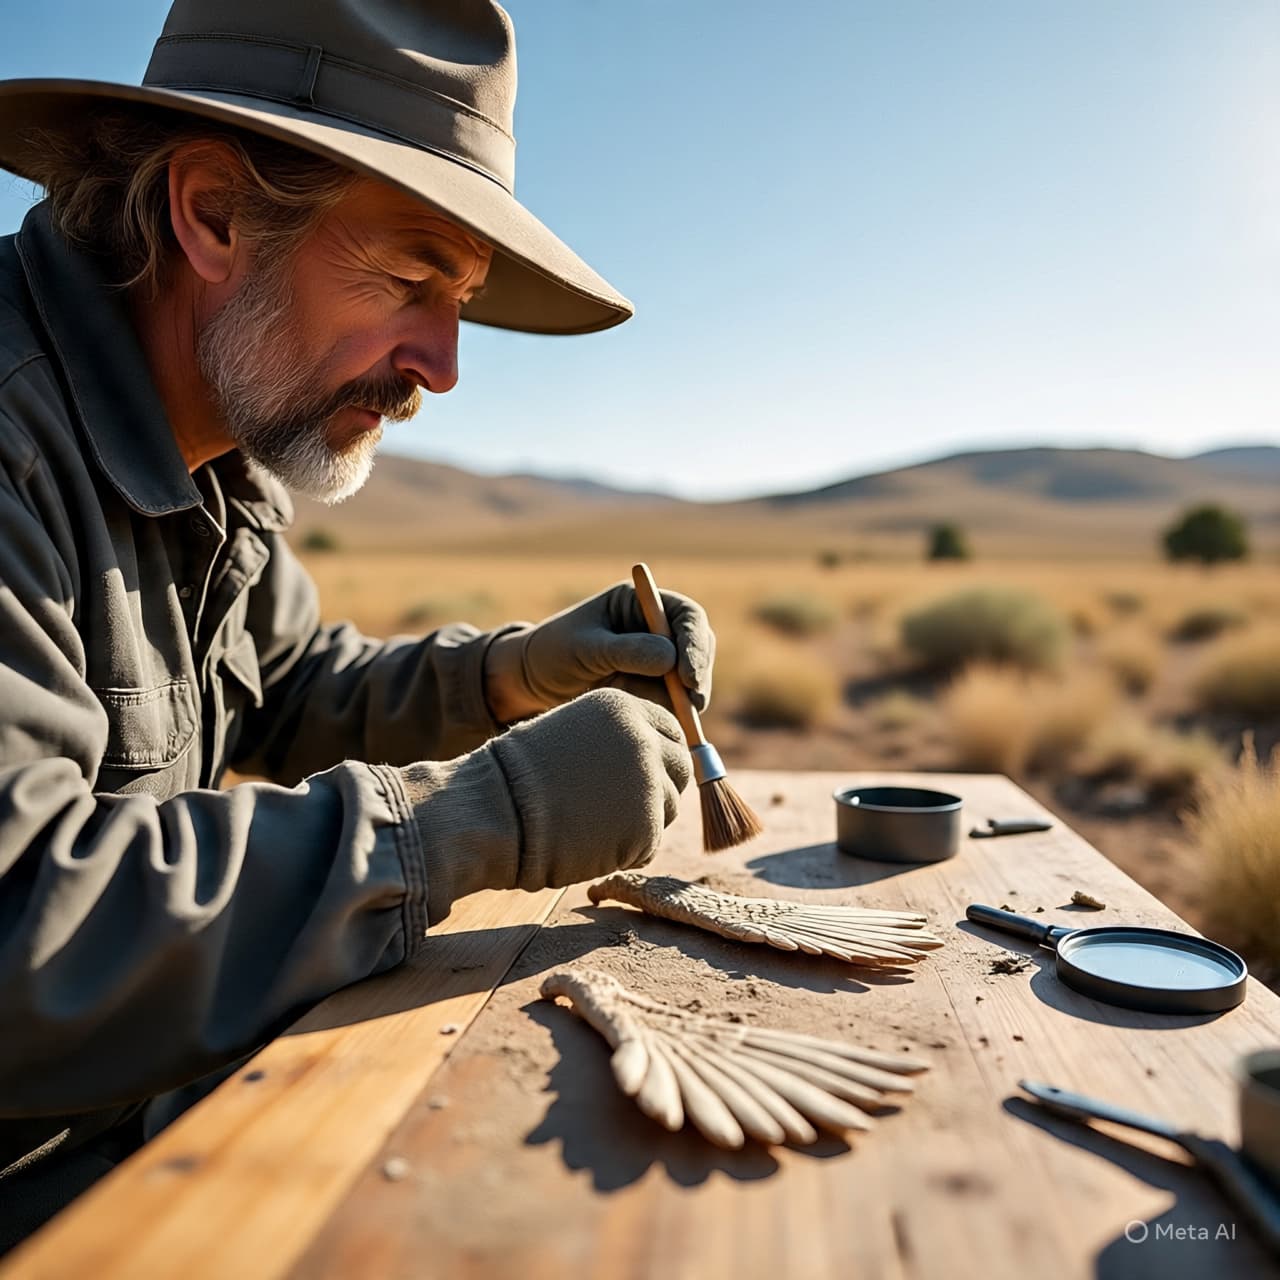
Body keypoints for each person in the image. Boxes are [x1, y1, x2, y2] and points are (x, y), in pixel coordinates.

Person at [0, 0, 715, 1246]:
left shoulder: (213, 449)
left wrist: (519, 672)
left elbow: (288, 687)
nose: (442, 364)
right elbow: (23, 931)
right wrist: (476, 820)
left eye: (463, 296)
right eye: (408, 275)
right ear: (212, 213)